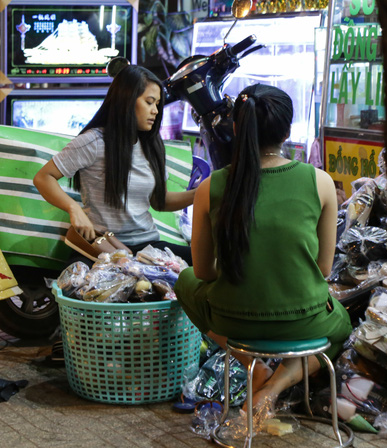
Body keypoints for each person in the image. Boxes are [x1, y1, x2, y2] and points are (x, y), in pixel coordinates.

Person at [174, 83, 352, 410]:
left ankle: (254, 370)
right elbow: (324, 269)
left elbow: (202, 272)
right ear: (287, 132)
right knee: (341, 326)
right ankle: (275, 386)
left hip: (232, 322)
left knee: (185, 281)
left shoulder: (210, 186)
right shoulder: (320, 182)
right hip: (305, 322)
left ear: (238, 129)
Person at [33, 64, 195, 267]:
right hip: (103, 247)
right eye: (149, 102)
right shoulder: (94, 141)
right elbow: (43, 178)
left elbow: (159, 202)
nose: (155, 111)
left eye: (158, 104)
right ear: (126, 100)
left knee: (210, 262)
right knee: (81, 284)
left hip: (148, 246)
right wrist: (73, 208)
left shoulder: (152, 145)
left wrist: (201, 193)